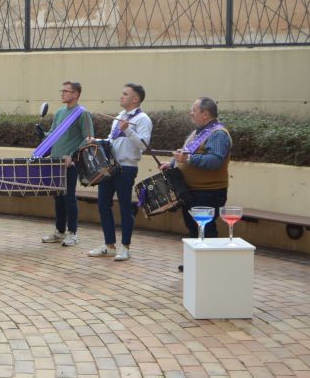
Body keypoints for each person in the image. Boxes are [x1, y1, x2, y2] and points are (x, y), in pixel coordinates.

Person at [87, 83, 153, 261]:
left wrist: (128, 129)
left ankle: (125, 247)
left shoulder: (143, 119)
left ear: (135, 98)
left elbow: (143, 144)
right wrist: (97, 140)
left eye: (125, 94)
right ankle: (109, 245)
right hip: (110, 167)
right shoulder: (120, 116)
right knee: (102, 205)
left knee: (125, 207)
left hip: (127, 168)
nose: (121, 96)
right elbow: (111, 140)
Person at [160, 97, 231, 254]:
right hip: (192, 190)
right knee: (193, 227)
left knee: (206, 229)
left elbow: (215, 160)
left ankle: (208, 265)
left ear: (205, 114)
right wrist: (172, 163)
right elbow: (187, 153)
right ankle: (195, 263)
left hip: (208, 192)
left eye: (193, 111)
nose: (190, 114)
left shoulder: (218, 134)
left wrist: (187, 159)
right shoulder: (198, 133)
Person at [40, 81, 94, 247]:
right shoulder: (60, 112)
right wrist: (42, 133)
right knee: (58, 198)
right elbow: (53, 135)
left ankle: (73, 233)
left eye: (66, 91)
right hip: (55, 161)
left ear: (76, 94)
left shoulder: (82, 114)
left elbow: (88, 139)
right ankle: (59, 231)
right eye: (61, 90)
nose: (62, 93)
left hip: (70, 163)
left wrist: (72, 155)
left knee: (69, 197)